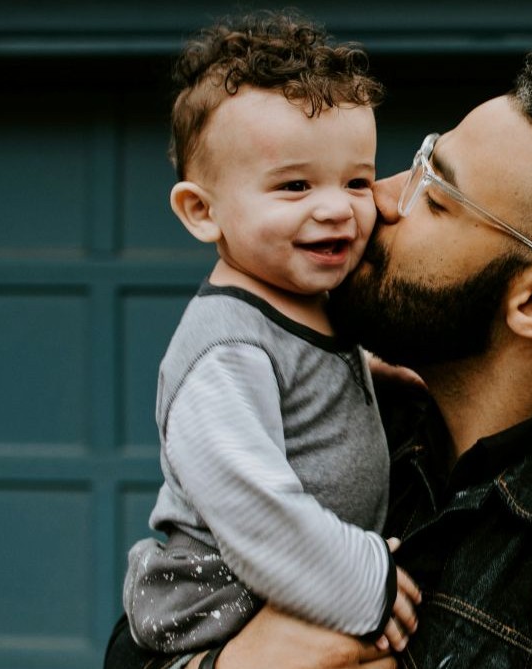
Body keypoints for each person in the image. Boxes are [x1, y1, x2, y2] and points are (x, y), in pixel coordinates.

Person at [107, 34, 532, 669]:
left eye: (435, 197)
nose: (376, 197)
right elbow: (138, 638)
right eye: (417, 162)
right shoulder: (348, 410)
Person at [119, 10, 420, 665]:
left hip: (283, 593)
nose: (337, 206)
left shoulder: (307, 302)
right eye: (295, 185)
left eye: (357, 181)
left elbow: (303, 374)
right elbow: (254, 505)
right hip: (210, 614)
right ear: (203, 211)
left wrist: (369, 372)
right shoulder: (225, 352)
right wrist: (363, 580)